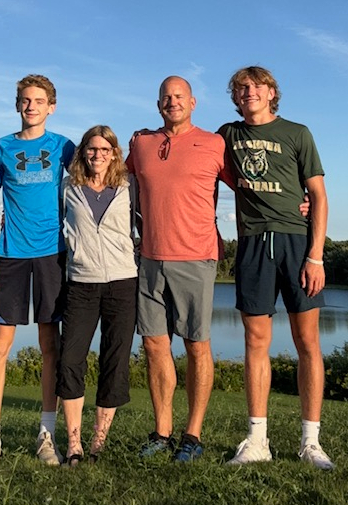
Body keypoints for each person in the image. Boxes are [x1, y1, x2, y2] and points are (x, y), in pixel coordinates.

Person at [218, 66, 334, 470]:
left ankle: (311, 443)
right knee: (255, 341)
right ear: (235, 98)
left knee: (308, 342)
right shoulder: (227, 134)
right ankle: (257, 441)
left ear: (271, 93)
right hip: (253, 243)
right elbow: (206, 164)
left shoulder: (297, 133)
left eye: (256, 86)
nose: (248, 92)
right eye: (240, 88)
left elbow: (319, 196)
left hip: (297, 243)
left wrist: (315, 256)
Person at [126, 76, 235, 462]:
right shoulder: (141, 144)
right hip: (149, 259)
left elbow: (249, 186)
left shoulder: (214, 144)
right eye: (165, 97)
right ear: (158, 104)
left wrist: (300, 201)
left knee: (196, 345)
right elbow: (112, 182)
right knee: (154, 345)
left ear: (192, 102)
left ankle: (193, 435)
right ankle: (162, 432)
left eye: (179, 96)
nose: (172, 102)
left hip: (196, 257)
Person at [0, 74, 75, 468]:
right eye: (25, 100)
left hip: (52, 254)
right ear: (18, 105)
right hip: (11, 255)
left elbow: (91, 180)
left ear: (52, 107)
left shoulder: (64, 146)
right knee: (0, 344)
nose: (31, 106)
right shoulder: (1, 147)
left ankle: (46, 436)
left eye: (39, 101)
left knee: (51, 345)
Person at [56, 125, 138, 466]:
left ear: (115, 153)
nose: (98, 155)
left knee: (114, 361)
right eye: (92, 149)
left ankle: (98, 442)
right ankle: (74, 443)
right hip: (81, 283)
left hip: (123, 282)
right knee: (70, 360)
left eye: (105, 149)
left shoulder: (129, 187)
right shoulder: (67, 187)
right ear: (83, 152)